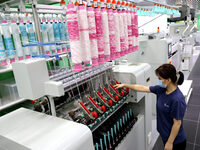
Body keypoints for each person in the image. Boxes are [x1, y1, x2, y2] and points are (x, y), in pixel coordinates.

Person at [114, 64, 187, 150]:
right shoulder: (161, 90)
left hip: (176, 141)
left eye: (160, 79)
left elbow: (177, 123)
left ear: (168, 80)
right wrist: (125, 85)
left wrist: (170, 142)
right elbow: (143, 88)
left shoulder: (177, 99)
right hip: (165, 135)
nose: (158, 81)